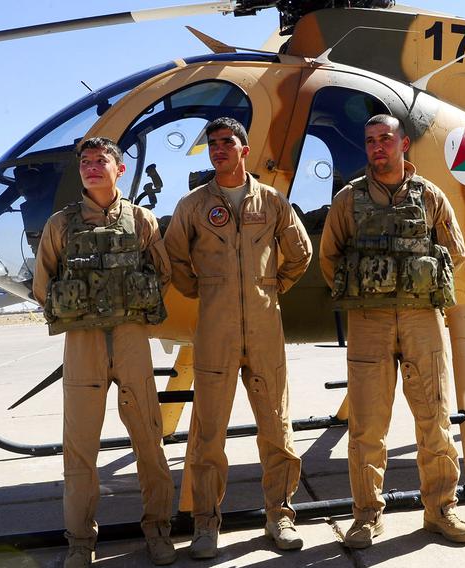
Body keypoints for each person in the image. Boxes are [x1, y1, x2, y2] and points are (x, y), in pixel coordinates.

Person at [318, 114, 465, 548]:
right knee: (367, 426)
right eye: (370, 141)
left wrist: (415, 282)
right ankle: (366, 516)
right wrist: (371, 287)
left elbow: (454, 252)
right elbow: (329, 258)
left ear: (404, 143)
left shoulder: (431, 197)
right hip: (369, 321)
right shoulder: (348, 200)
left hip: (422, 319)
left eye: (385, 138)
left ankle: (441, 510)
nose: (377, 147)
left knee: (435, 419)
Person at [163, 117, 312, 558]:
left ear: (244, 149)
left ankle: (280, 516)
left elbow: (300, 253)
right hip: (215, 332)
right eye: (213, 144)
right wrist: (208, 291)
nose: (218, 149)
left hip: (265, 330)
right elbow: (174, 257)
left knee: (277, 430)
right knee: (208, 434)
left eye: (227, 142)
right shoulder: (192, 205)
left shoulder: (272, 202)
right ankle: (206, 525)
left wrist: (271, 287)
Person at [33, 137, 177, 567]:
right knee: (79, 448)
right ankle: (80, 542)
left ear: (119, 169)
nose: (92, 167)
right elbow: (43, 286)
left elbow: (162, 273)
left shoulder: (142, 220)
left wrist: (128, 308)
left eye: (102, 161)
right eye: (86, 162)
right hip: (83, 346)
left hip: (132, 340)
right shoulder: (60, 225)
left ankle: (158, 531)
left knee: (149, 440)